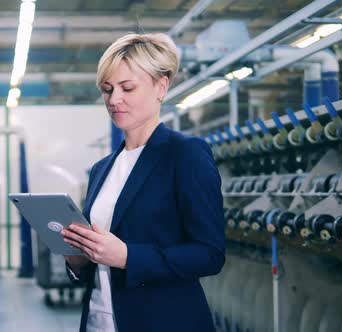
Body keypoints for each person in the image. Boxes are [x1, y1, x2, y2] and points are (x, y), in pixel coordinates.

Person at [61, 33, 225, 332]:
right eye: (107, 90)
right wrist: (78, 260)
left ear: (161, 87)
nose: (114, 100)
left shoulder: (185, 154)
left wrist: (128, 256)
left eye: (127, 88)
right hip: (101, 322)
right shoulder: (102, 169)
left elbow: (210, 254)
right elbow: (98, 265)